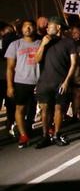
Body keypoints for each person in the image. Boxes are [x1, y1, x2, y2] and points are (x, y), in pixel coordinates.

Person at [34, 16, 78, 147]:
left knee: (59, 108)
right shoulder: (44, 41)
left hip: (60, 82)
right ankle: (45, 136)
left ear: (58, 27)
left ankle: (57, 134)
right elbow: (36, 60)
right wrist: (42, 44)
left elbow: (74, 63)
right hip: (44, 82)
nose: (47, 28)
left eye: (50, 26)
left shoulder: (69, 42)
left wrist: (66, 82)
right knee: (45, 110)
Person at [5, 20, 40, 148]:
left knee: (39, 108)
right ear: (22, 29)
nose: (28, 28)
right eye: (25, 26)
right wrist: (9, 86)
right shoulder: (15, 45)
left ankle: (37, 128)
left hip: (38, 82)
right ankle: (23, 135)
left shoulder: (41, 43)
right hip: (21, 82)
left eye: (30, 26)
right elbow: (9, 67)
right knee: (20, 109)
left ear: (35, 28)